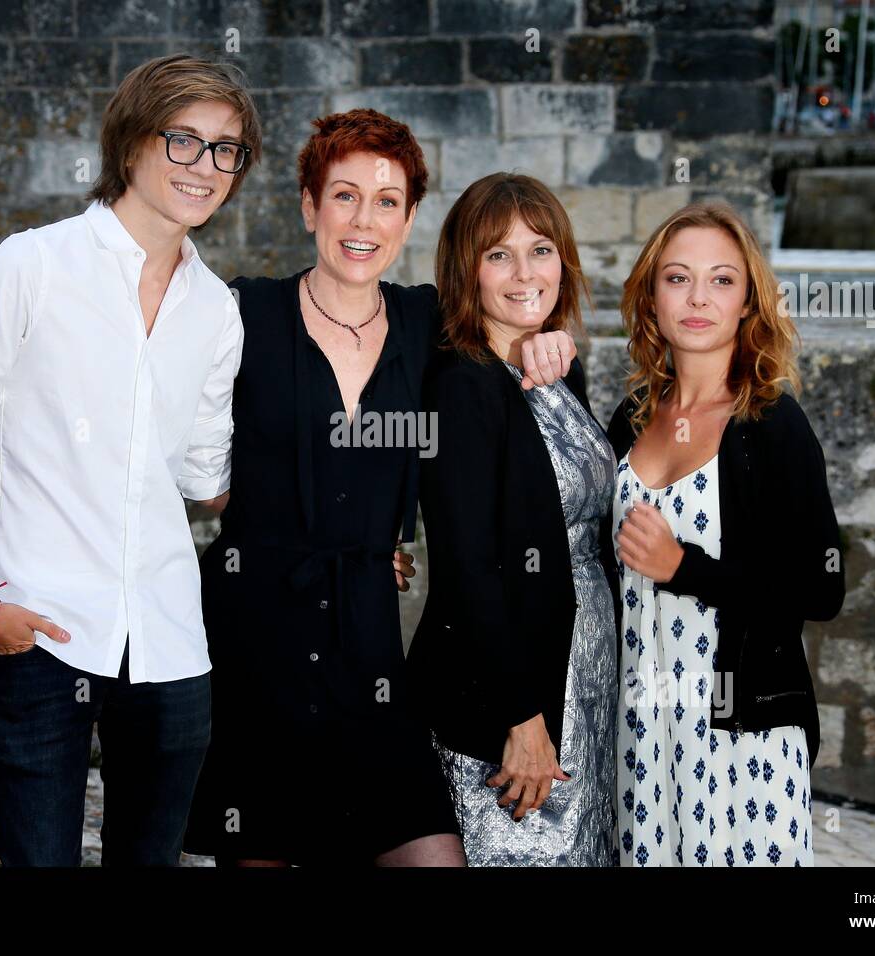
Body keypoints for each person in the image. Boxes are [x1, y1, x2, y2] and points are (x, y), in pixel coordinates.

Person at [184, 112, 578, 867]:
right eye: (344, 197)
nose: (365, 221)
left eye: (387, 200)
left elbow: (502, 326)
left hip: (368, 645)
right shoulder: (243, 313)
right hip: (251, 633)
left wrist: (547, 338)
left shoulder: (425, 323)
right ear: (308, 207)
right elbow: (168, 436)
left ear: (410, 217)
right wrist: (237, 503)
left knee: (430, 855)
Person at [0, 55, 261, 866]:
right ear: (132, 144)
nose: (204, 167)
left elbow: (207, 476)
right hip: (38, 632)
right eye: (184, 141)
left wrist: (349, 521)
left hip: (170, 645)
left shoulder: (217, 310)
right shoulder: (31, 266)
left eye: (225, 150)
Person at [605, 200, 845, 867]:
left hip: (739, 726)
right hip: (641, 723)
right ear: (651, 298)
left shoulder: (773, 425)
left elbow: (821, 588)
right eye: (678, 278)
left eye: (721, 279)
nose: (698, 297)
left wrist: (684, 567)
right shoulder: (631, 418)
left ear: (748, 301)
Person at [409, 173, 621, 867]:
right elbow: (470, 570)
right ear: (465, 269)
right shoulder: (461, 384)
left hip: (586, 667)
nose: (525, 272)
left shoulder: (556, 369)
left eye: (541, 249)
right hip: (515, 690)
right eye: (498, 255)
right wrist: (522, 720)